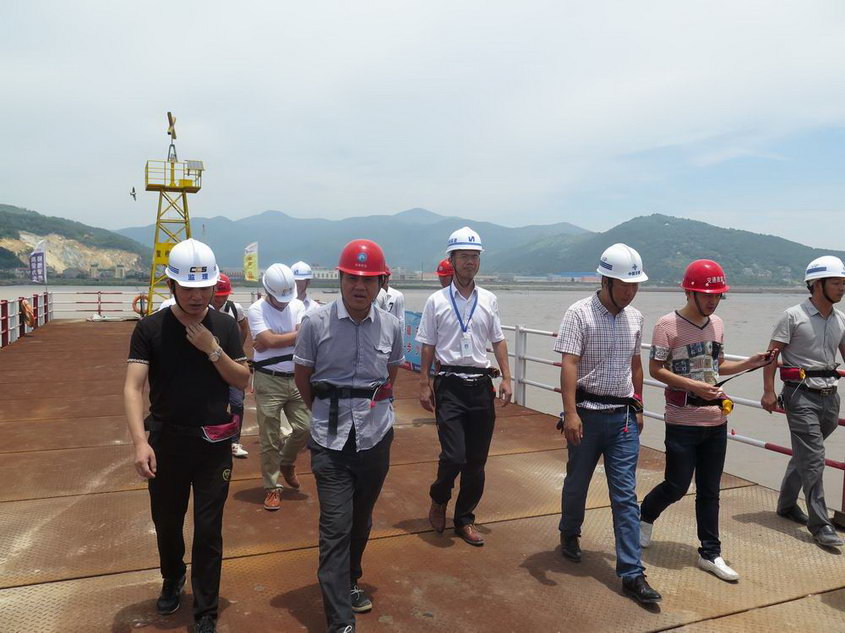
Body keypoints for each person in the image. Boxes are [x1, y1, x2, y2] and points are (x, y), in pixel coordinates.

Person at [124, 238, 250, 633]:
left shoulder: (224, 326)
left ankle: (206, 609)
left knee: (209, 529)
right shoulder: (150, 328)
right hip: (166, 442)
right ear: (171, 285)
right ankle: (173, 575)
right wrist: (140, 442)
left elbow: (242, 379)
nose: (197, 296)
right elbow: (133, 387)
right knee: (167, 522)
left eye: (205, 287)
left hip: (213, 444)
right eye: (188, 288)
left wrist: (213, 349)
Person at [294, 239, 404, 633]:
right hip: (330, 439)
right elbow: (303, 377)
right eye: (352, 278)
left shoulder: (391, 326)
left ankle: (350, 578)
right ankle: (340, 621)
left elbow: (390, 375)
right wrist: (325, 411)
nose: (360, 286)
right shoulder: (315, 323)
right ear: (340, 278)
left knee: (361, 519)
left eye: (368, 279)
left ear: (380, 283)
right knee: (336, 525)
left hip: (375, 436)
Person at [639, 260, 773, 582]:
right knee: (676, 485)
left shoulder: (718, 325)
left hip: (715, 421)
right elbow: (656, 369)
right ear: (690, 292)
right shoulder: (667, 325)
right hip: (682, 421)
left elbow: (717, 365)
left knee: (710, 490)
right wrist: (694, 386)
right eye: (707, 295)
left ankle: (710, 553)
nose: (713, 301)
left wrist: (750, 363)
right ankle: (644, 516)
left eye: (718, 295)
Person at [555, 243, 661, 604]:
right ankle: (570, 530)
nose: (630, 293)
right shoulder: (579, 314)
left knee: (625, 495)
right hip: (586, 414)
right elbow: (569, 364)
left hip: (623, 419)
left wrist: (639, 405)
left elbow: (635, 365)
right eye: (624, 285)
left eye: (635, 286)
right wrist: (570, 413)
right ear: (606, 281)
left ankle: (632, 573)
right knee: (577, 482)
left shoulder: (636, 318)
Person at [417, 226, 513, 547]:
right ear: (452, 259)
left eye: (475, 256)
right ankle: (439, 497)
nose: (470, 262)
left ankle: (464, 518)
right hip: (449, 384)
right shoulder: (437, 301)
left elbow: (498, 340)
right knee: (454, 455)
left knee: (476, 461)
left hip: (480, 385)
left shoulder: (489, 299)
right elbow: (428, 345)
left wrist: (507, 378)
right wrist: (424, 383)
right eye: (464, 256)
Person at [761, 255, 845, 547]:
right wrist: (769, 391)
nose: (842, 287)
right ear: (816, 284)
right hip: (800, 395)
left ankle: (786, 504)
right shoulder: (793, 316)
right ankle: (820, 525)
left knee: (806, 454)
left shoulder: (840, 319)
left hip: (830, 397)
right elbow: (771, 356)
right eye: (836, 282)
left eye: (843, 282)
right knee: (814, 459)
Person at [247, 263, 311, 511]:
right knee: (270, 437)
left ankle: (286, 461)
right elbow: (268, 340)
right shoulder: (256, 309)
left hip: (295, 377)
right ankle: (272, 487)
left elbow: (280, 339)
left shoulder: (296, 305)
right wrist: (274, 339)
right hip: (268, 379)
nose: (283, 303)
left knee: (305, 427)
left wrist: (274, 340)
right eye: (278, 299)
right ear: (267, 291)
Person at [211, 273, 250, 458]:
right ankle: (214, 439)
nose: (220, 300)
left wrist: (238, 348)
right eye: (217, 296)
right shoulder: (203, 309)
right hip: (211, 365)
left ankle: (235, 441)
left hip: (232, 364)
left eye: (224, 295)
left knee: (237, 403)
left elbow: (244, 327)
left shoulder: (235, 308)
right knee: (213, 403)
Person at [376, 265, 405, 340]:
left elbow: (400, 321)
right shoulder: (371, 294)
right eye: (379, 277)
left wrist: (400, 341)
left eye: (383, 277)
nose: (381, 280)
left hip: (391, 336)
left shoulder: (397, 296)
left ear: (388, 278)